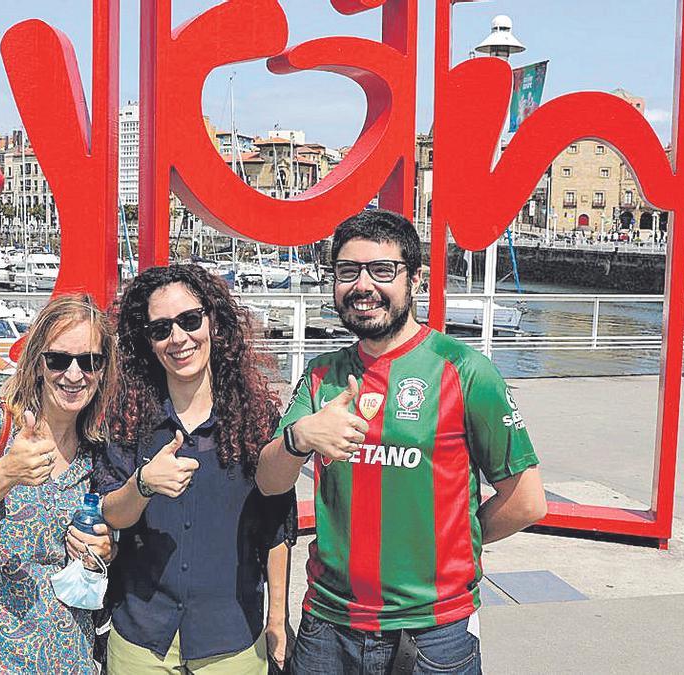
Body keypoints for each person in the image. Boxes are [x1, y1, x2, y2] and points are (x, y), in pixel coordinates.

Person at [256, 209, 547, 674]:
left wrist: (451, 546)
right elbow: (269, 483)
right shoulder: (321, 374)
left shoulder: (465, 370)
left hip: (436, 631)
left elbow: (526, 501)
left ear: (416, 280)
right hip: (328, 625)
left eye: (382, 270)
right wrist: (300, 437)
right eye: (348, 271)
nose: (362, 286)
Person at [97, 264, 297, 673]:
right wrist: (144, 484)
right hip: (142, 635)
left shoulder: (256, 419)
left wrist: (277, 618)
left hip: (232, 637)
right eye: (161, 329)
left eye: (190, 320)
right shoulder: (128, 420)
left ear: (213, 322)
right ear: (147, 342)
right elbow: (111, 513)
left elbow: (276, 528)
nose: (179, 339)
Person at [0, 294, 118, 673]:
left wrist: (105, 551)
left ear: (103, 368)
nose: (74, 375)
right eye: (59, 360)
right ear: (38, 363)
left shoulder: (100, 452)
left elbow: (110, 562)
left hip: (62, 656)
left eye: (89, 361)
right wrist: (4, 474)